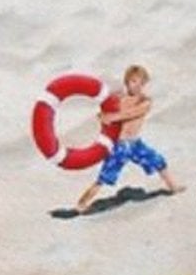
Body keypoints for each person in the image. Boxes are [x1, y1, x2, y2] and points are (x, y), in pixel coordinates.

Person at [73, 64, 182, 215]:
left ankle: (173, 187)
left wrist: (112, 117)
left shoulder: (145, 101)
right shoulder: (119, 100)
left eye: (141, 82)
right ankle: (82, 203)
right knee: (105, 176)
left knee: (159, 161)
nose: (137, 86)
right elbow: (104, 114)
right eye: (133, 81)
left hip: (135, 143)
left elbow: (132, 113)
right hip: (120, 145)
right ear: (127, 81)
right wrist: (103, 117)